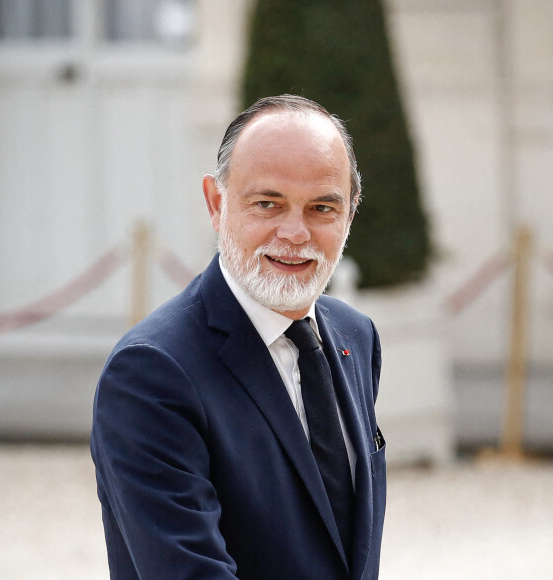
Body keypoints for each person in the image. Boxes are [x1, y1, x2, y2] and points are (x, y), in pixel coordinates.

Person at [91, 94, 386, 580]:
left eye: (322, 207)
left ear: (350, 213)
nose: (295, 232)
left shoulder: (357, 337)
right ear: (216, 202)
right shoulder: (150, 373)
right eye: (267, 203)